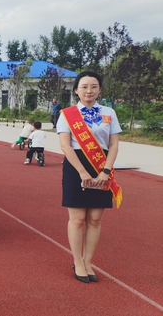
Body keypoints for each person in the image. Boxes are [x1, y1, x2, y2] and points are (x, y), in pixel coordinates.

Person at [56, 71, 122, 283]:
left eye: (94, 86)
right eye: (84, 86)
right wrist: (82, 171)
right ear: (76, 90)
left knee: (95, 218)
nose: (89, 91)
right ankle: (77, 260)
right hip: (76, 167)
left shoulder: (109, 113)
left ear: (100, 89)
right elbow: (65, 145)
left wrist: (106, 170)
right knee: (77, 219)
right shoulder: (67, 114)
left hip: (102, 166)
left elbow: (113, 145)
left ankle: (87, 261)